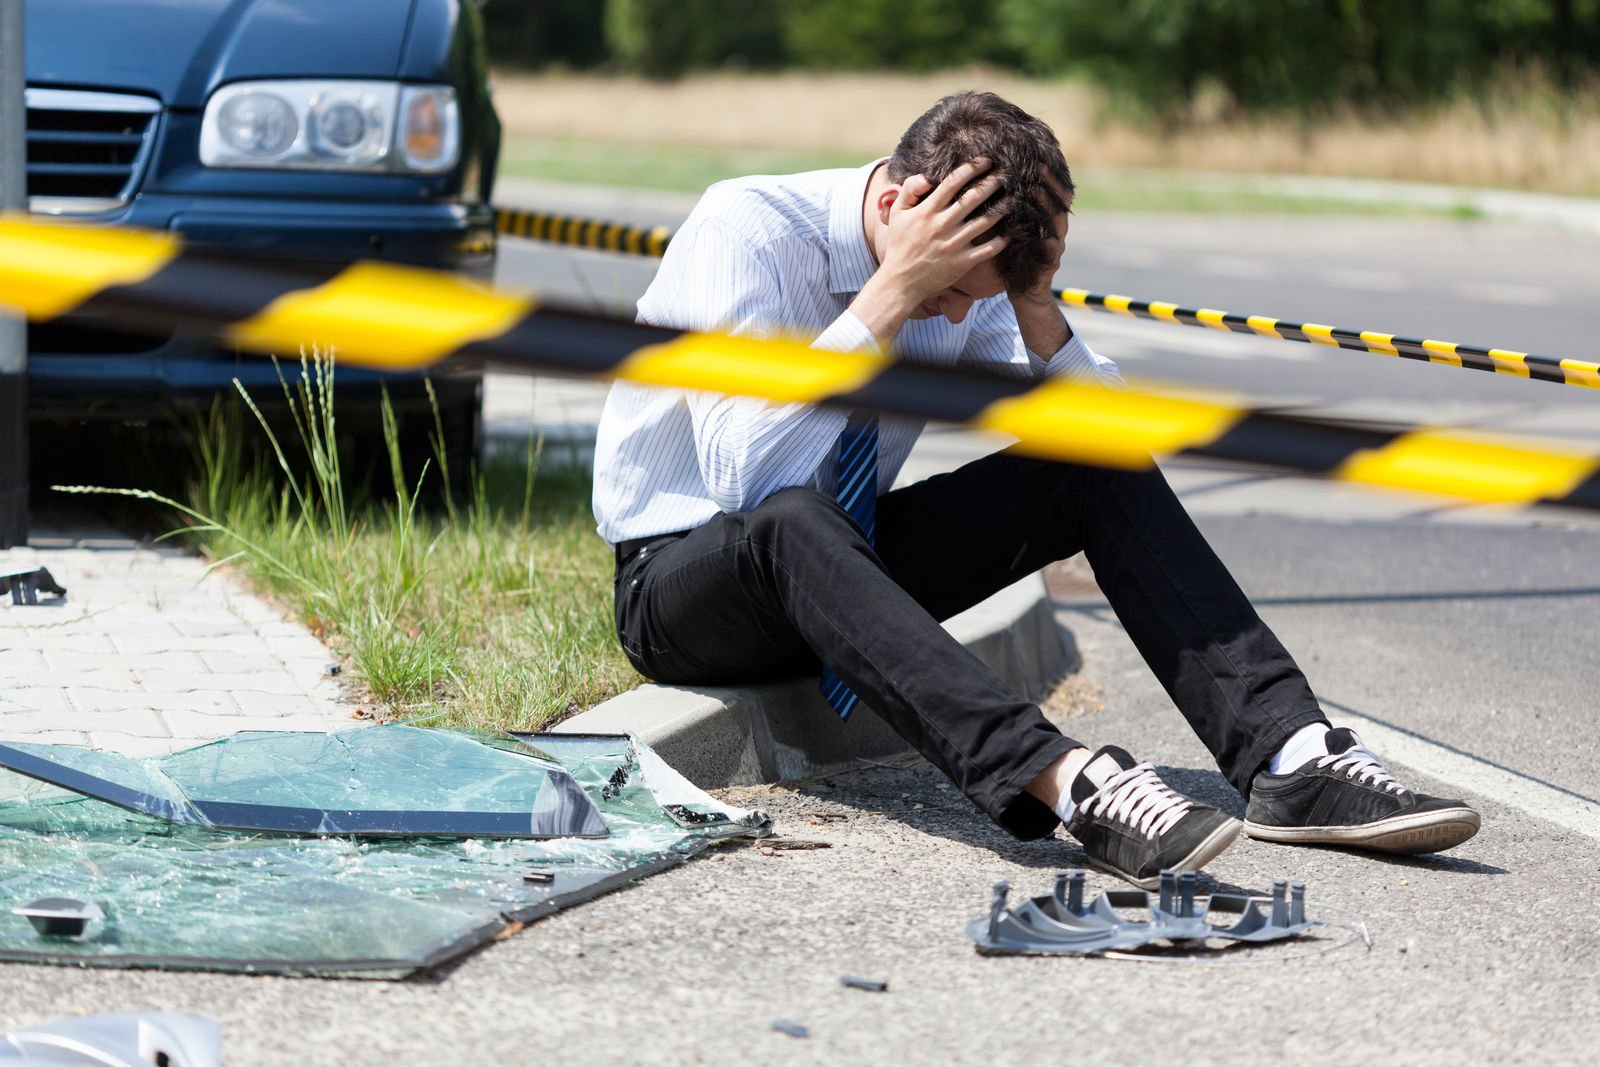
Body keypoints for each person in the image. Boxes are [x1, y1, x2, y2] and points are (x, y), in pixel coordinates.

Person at [591, 91, 1479, 888]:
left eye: (968, 296)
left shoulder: (968, 275)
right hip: (688, 585)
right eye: (947, 291)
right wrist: (890, 296)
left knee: (1084, 460)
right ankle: (1067, 782)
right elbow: (746, 480)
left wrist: (1034, 307)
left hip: (845, 565)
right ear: (900, 208)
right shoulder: (744, 233)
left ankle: (1288, 755)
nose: (951, 315)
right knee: (791, 516)